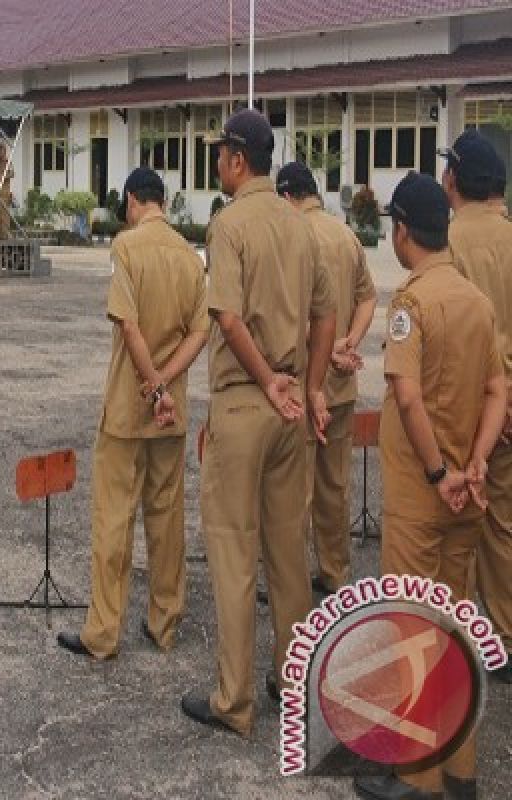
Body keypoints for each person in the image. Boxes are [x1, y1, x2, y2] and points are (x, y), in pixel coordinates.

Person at [179, 109, 335, 736]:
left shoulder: (230, 223)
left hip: (247, 400)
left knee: (233, 551)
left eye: (221, 153)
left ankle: (234, 701)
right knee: (288, 557)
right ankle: (292, 684)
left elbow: (228, 316)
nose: (218, 162)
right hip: (292, 405)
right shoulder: (300, 227)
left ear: (238, 159)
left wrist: (268, 379)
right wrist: (310, 385)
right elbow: (326, 316)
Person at [352, 172, 506, 800]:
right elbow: (499, 390)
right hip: (468, 493)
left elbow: (407, 395)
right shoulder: (476, 300)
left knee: (414, 630)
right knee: (456, 630)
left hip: (425, 496)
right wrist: (475, 464)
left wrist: (441, 472)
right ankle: (460, 770)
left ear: (402, 231)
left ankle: (419, 778)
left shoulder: (413, 304)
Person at [56, 167, 208, 661]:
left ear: (131, 200)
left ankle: (104, 630)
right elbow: (199, 332)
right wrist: (166, 385)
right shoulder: (190, 256)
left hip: (129, 407)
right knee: (166, 518)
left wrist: (149, 383)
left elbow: (130, 327)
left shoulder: (127, 247)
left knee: (114, 519)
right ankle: (164, 622)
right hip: (171, 412)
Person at [276, 162, 377, 595]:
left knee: (294, 490)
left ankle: (292, 579)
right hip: (341, 386)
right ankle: (335, 573)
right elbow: (368, 297)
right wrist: (348, 342)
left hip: (302, 385)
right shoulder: (345, 235)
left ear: (285, 198)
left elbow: (286, 315)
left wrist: (324, 348)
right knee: (335, 486)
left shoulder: (291, 238)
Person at [440, 130, 512, 685]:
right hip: (506, 407)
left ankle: (454, 639)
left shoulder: (448, 240)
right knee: (505, 525)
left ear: (454, 179)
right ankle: (506, 636)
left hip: (465, 405)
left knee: (453, 525)